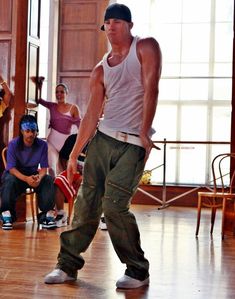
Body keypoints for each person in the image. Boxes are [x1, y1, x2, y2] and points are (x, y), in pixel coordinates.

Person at [44, 3, 162, 289]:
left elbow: (152, 88)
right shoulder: (100, 69)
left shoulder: (145, 47)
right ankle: (67, 265)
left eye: (118, 22)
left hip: (133, 143)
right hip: (103, 140)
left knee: (114, 206)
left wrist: (145, 132)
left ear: (130, 26)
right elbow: (91, 115)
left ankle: (137, 270)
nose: (111, 26)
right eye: (107, 22)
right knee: (85, 203)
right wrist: (73, 154)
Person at [0, 114, 56, 230]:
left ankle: (46, 215)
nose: (31, 134)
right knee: (8, 180)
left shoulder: (42, 145)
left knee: (48, 179)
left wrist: (39, 178)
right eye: (28, 131)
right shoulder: (13, 144)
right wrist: (26, 179)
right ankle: (7, 215)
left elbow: (44, 169)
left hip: (33, 174)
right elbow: (11, 169)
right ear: (22, 131)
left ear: (37, 131)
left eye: (33, 131)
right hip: (16, 174)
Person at [36, 83, 81, 177]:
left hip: (65, 146)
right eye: (57, 92)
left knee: (62, 172)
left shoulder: (73, 108)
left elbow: (80, 127)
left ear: (66, 93)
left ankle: (61, 189)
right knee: (52, 168)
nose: (59, 94)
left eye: (61, 92)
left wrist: (81, 144)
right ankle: (51, 189)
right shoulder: (52, 106)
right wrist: (39, 86)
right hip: (51, 143)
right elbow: (38, 100)